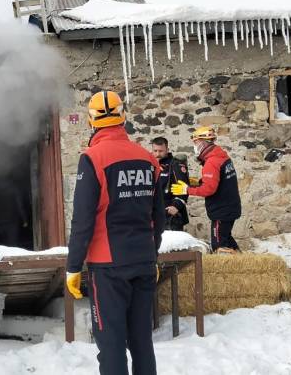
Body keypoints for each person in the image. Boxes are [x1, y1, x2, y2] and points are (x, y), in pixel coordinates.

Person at [66, 90, 165, 375]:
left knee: (110, 343)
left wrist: (73, 266)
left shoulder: (92, 158)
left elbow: (83, 220)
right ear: (123, 116)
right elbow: (158, 216)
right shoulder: (148, 158)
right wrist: (152, 254)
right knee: (141, 341)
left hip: (108, 267)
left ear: (91, 121)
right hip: (144, 261)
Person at [171, 126, 242, 254]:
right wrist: (199, 182)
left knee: (219, 246)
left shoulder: (211, 161)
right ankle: (243, 263)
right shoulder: (221, 155)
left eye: (195, 142)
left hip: (222, 211)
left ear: (203, 142)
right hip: (230, 207)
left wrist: (187, 189)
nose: (194, 145)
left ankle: (228, 271)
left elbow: (208, 190)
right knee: (226, 239)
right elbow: (219, 180)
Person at [151, 137, 190, 231]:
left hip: (171, 216)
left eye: (161, 151)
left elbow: (183, 188)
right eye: (155, 150)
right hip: (155, 214)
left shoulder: (175, 165)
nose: (157, 154)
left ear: (167, 150)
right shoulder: (150, 164)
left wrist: (176, 206)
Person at [0, 181, 28, 248]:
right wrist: (24, 220)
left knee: (2, 244)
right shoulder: (14, 189)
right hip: (12, 222)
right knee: (12, 244)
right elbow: (20, 206)